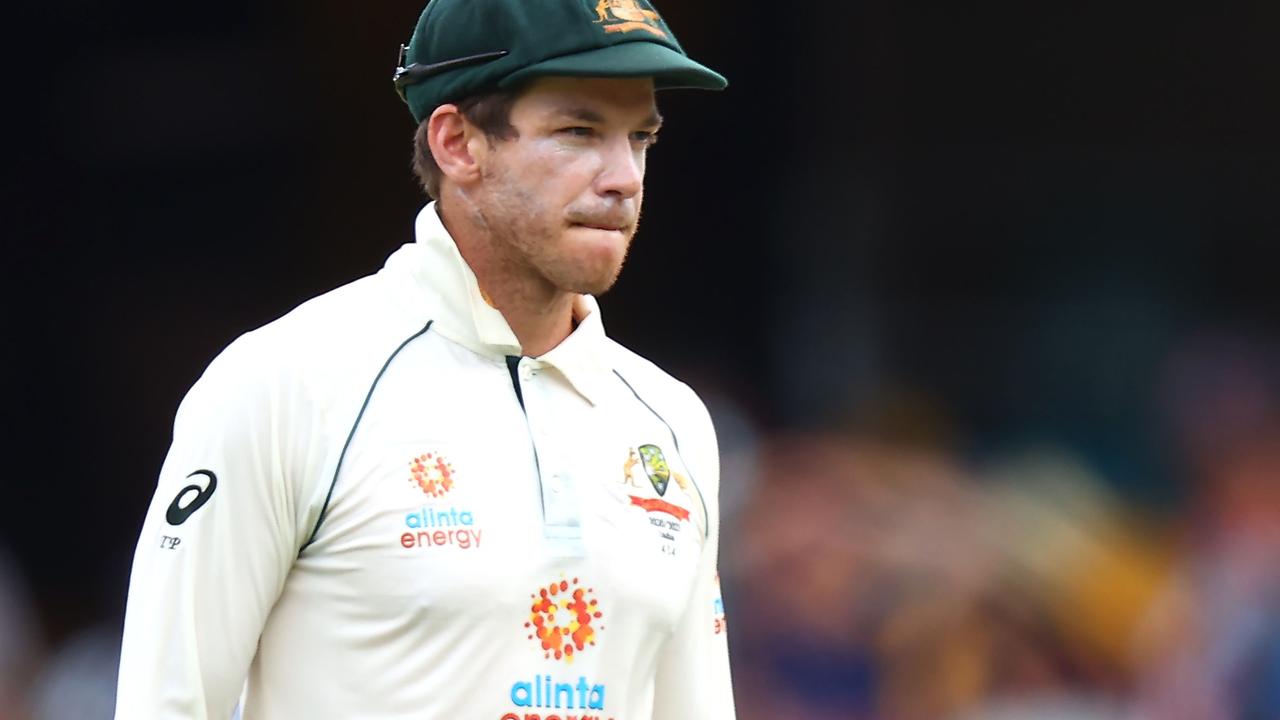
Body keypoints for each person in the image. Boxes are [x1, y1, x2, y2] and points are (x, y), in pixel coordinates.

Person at [114, 0, 734, 717]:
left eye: (641, 138)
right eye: (578, 131)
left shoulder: (671, 420)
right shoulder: (285, 384)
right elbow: (167, 703)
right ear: (458, 144)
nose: (624, 176)